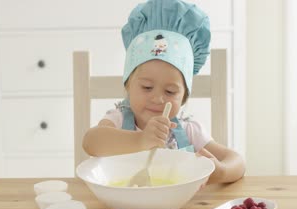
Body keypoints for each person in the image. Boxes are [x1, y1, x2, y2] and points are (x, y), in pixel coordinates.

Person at [82, 0, 245, 184]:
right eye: (146, 87)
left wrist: (221, 172)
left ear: (183, 96)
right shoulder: (118, 120)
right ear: (128, 86)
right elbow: (90, 142)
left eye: (170, 91)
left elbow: (237, 162)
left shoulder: (188, 130)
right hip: (123, 208)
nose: (158, 98)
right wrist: (141, 140)